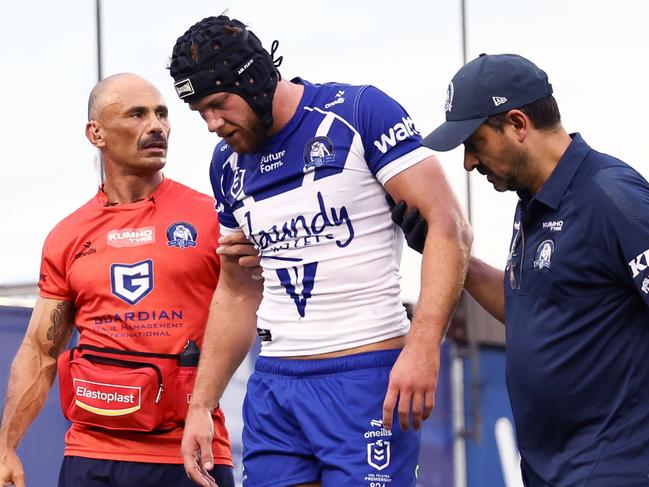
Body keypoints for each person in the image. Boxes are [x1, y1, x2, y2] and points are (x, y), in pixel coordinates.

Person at [167, 15, 472, 487]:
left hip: (364, 376)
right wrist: (202, 405)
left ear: (252, 79)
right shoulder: (226, 164)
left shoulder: (359, 110)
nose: (212, 124)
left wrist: (424, 346)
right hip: (275, 385)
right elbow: (236, 291)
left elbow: (448, 225)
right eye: (200, 113)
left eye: (218, 104)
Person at [394, 53, 649, 486]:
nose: (469, 163)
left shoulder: (613, 198)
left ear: (517, 124)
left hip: (615, 468)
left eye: (474, 143)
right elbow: (527, 310)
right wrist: (457, 259)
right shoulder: (532, 204)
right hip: (548, 471)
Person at [0, 73, 255, 487]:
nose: (156, 126)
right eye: (137, 114)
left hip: (189, 453)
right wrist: (6, 446)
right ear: (95, 132)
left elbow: (255, 309)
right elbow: (40, 351)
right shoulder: (68, 235)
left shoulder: (214, 219)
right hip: (92, 455)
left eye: (161, 114)